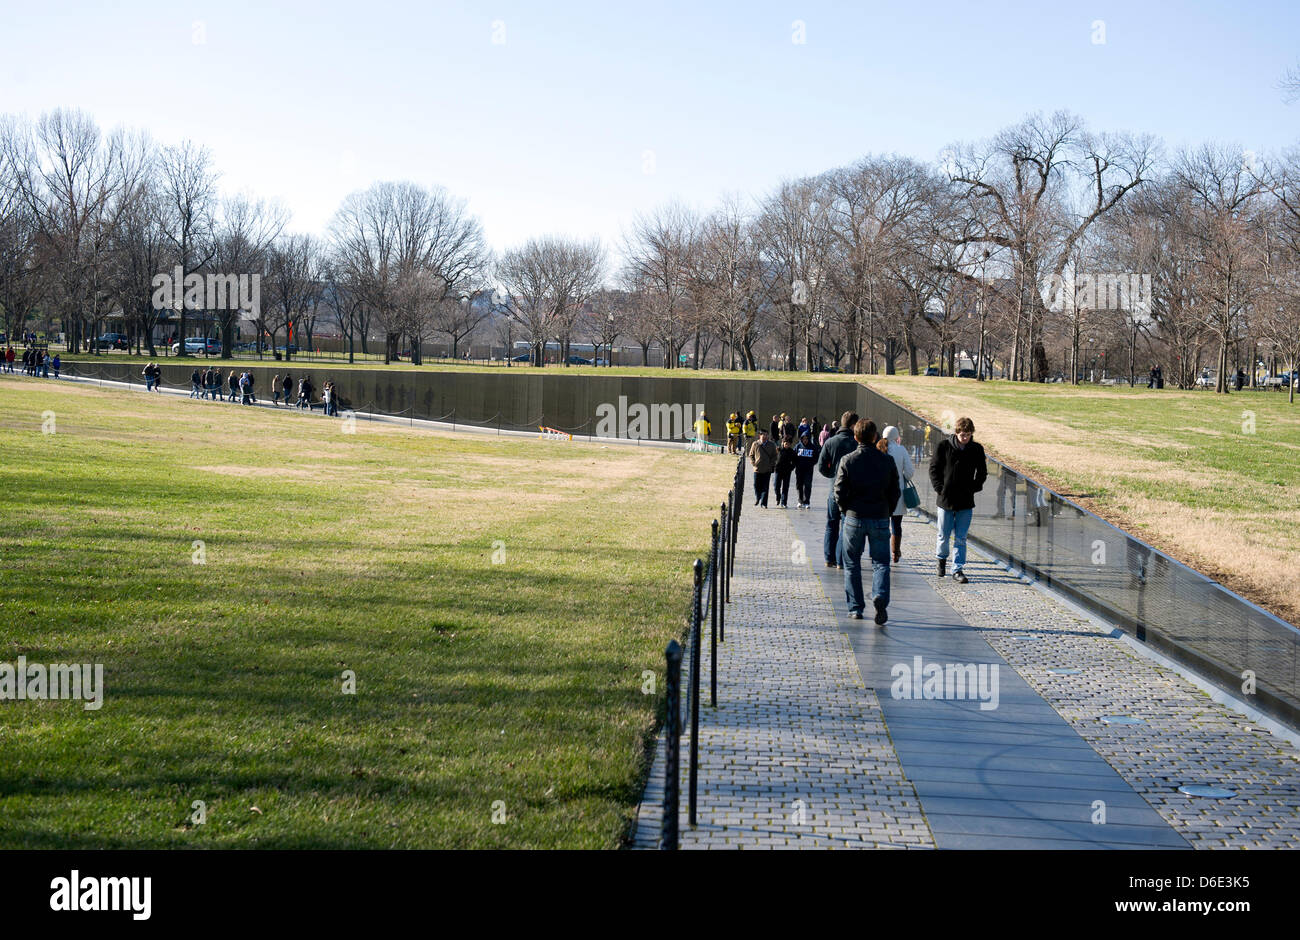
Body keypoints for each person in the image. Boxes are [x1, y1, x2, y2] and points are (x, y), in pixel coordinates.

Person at [834, 419, 900, 623]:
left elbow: (839, 491)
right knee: (881, 562)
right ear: (875, 437)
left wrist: (845, 510)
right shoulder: (887, 461)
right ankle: (879, 595)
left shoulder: (848, 460)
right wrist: (887, 511)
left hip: (854, 517)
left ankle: (855, 607)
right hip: (879, 516)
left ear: (855, 437)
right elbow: (894, 491)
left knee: (852, 563)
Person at [928, 416, 988, 584]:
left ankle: (957, 568)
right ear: (956, 433)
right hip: (946, 500)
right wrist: (940, 489)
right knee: (943, 535)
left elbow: (982, 472)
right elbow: (934, 469)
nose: (965, 438)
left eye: (968, 435)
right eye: (962, 434)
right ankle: (941, 560)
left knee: (961, 538)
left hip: (965, 500)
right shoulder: (944, 446)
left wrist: (975, 487)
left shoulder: (976, 449)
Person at [818, 411, 859, 569]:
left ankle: (829, 558)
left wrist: (833, 476)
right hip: (851, 491)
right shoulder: (855, 443)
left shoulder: (830, 442)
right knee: (846, 526)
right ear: (853, 425)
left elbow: (821, 466)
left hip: (833, 489)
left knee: (831, 524)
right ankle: (841, 560)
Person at [880, 426, 915, 563]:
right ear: (896, 436)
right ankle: (895, 552)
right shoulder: (901, 450)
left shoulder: (879, 449)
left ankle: (878, 551)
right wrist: (903, 476)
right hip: (898, 491)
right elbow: (910, 472)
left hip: (881, 492)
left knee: (881, 524)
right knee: (896, 524)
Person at [748, 430, 778, 508]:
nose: (764, 436)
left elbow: (775, 456)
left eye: (766, 435)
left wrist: (771, 464)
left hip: (767, 469)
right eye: (763, 435)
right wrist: (754, 463)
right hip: (757, 469)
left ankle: (764, 503)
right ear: (760, 435)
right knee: (756, 485)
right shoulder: (755, 444)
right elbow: (751, 455)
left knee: (765, 486)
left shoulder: (771, 444)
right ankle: (758, 497)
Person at [793, 432, 819, 509]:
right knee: (799, 485)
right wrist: (796, 464)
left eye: (806, 439)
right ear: (801, 439)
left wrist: (811, 464)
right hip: (799, 469)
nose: (805, 440)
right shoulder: (798, 446)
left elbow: (816, 457)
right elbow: (793, 455)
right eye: (803, 439)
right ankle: (800, 501)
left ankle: (806, 501)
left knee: (807, 485)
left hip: (808, 470)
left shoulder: (813, 447)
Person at [773, 436, 796, 508]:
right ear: (783, 443)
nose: (787, 445)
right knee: (776, 486)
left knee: (785, 487)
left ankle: (784, 502)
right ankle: (778, 497)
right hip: (778, 471)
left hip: (787, 472)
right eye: (786, 443)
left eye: (788, 444)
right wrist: (774, 467)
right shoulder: (778, 450)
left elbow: (795, 462)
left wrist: (791, 468)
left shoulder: (792, 452)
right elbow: (773, 458)